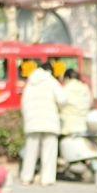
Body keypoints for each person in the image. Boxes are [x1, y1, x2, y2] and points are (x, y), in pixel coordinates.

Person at [18, 57, 63, 185]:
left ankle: (26, 177)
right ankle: (47, 179)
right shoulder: (52, 82)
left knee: (30, 151)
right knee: (49, 151)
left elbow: (23, 103)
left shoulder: (30, 82)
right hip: (50, 121)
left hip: (32, 122)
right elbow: (63, 99)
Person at [57, 59, 94, 139]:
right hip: (84, 126)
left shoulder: (66, 89)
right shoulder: (85, 88)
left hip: (68, 127)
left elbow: (60, 103)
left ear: (67, 78)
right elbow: (90, 103)